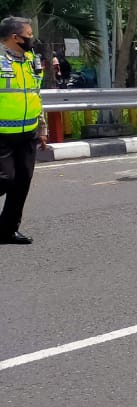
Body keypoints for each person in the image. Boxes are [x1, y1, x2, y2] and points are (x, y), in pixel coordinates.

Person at [1, 16, 48, 244]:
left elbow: (35, 94)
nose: (32, 39)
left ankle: (7, 230)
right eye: (29, 35)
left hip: (27, 132)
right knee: (4, 179)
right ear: (14, 37)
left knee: (22, 182)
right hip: (2, 134)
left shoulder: (31, 60)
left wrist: (42, 127)